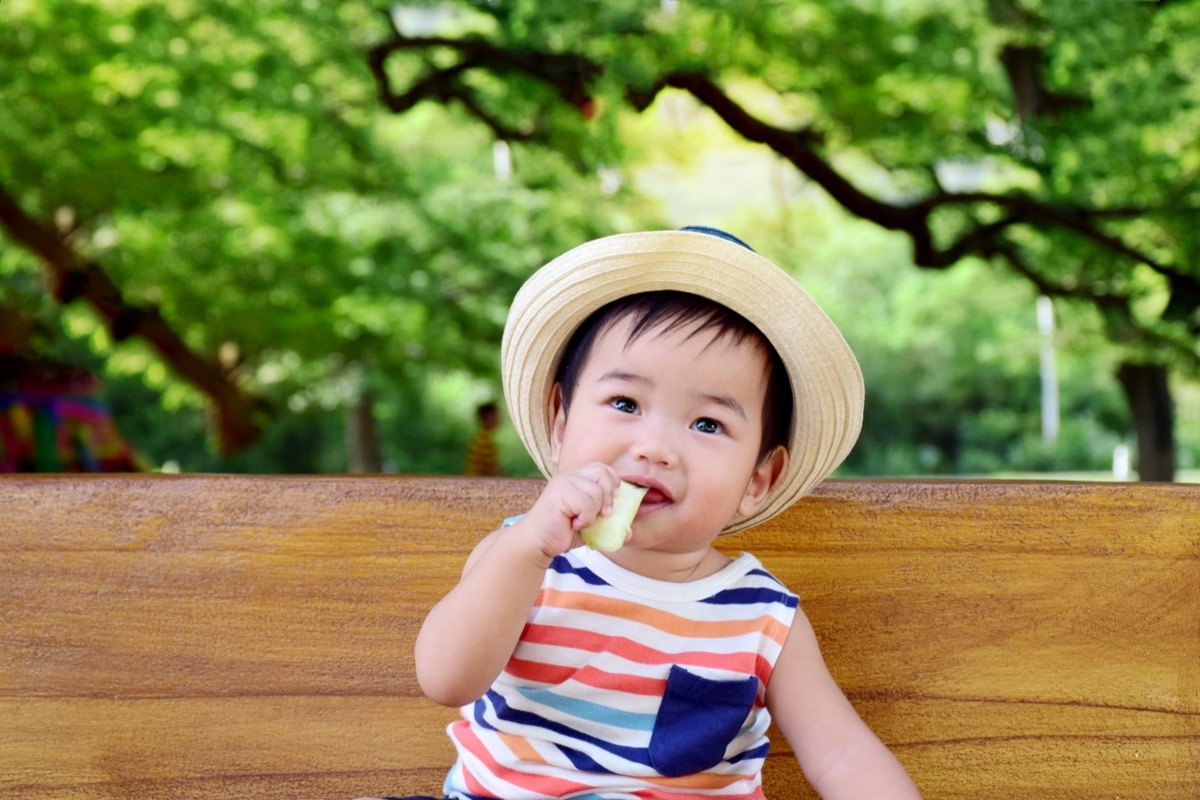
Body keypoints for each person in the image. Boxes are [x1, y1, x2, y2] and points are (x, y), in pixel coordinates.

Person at [365, 227, 921, 799]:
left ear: (758, 479)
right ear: (561, 425)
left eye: (708, 424)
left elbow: (844, 756)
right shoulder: (524, 561)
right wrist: (529, 546)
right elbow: (445, 678)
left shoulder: (762, 618)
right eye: (626, 403)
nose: (654, 446)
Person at [464, 401, 502, 477]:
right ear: (488, 417)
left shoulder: (481, 437)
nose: (499, 418)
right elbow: (492, 471)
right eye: (496, 415)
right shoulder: (485, 442)